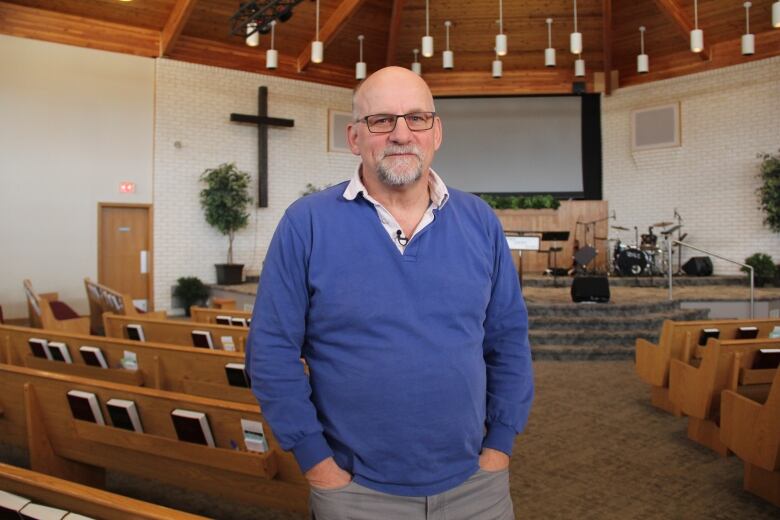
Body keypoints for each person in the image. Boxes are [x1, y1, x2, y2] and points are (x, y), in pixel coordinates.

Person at [246, 66, 533, 520]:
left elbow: (509, 341)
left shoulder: (479, 221)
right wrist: (319, 466)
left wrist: (498, 448)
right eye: (382, 120)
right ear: (354, 137)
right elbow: (270, 352)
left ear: (436, 132)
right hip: (355, 491)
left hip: (476, 488)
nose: (402, 133)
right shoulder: (307, 223)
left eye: (417, 118)